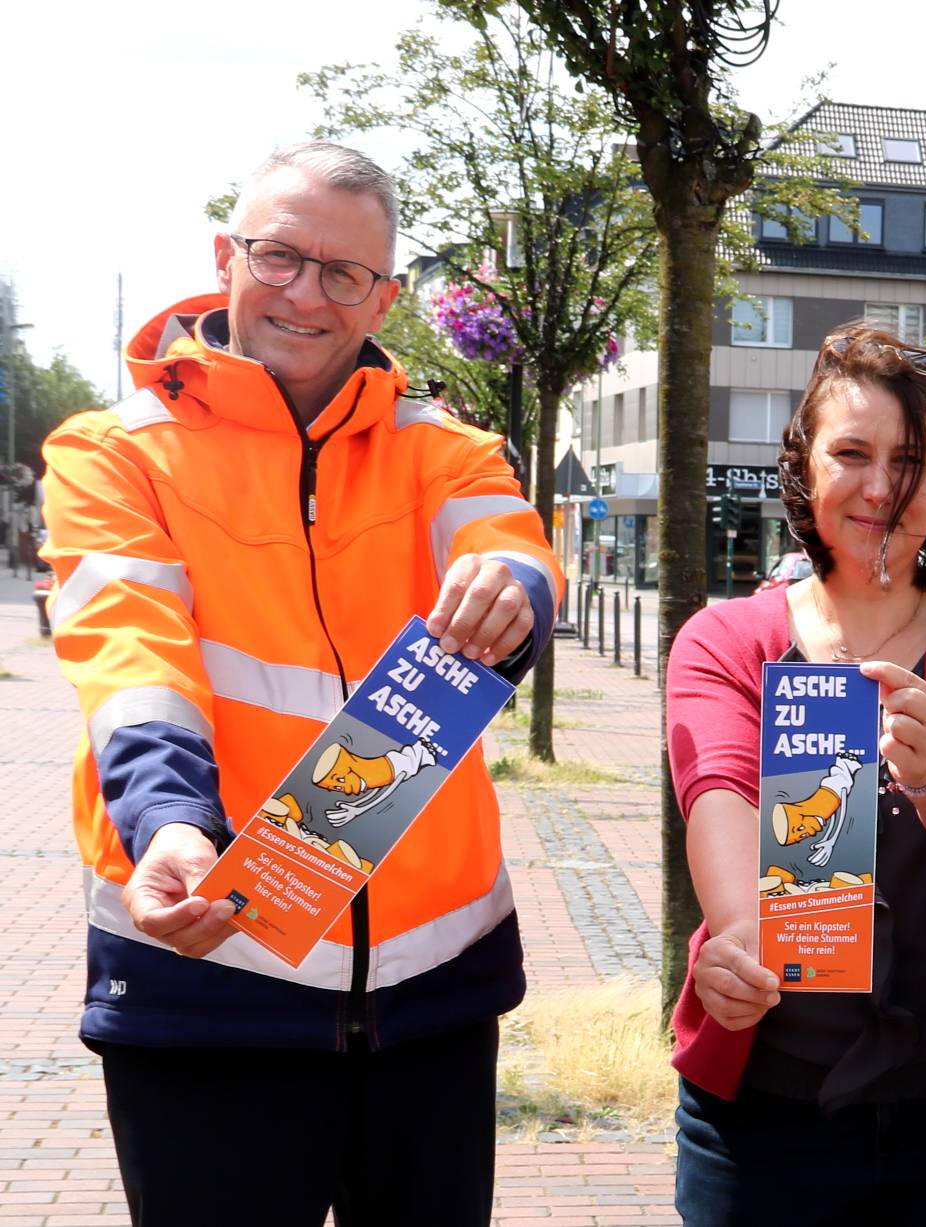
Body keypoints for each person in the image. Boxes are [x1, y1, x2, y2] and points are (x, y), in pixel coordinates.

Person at [40, 142, 561, 1225]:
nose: (305, 295)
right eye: (281, 258)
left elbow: (513, 547)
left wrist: (510, 585)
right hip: (209, 962)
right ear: (226, 254)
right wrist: (171, 823)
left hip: (434, 986)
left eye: (344, 275)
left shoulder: (446, 448)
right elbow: (129, 645)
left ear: (386, 295)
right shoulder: (113, 452)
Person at [664, 323, 926, 1225]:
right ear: (805, 466)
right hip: (766, 1109)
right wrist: (736, 938)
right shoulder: (725, 639)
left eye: (910, 460)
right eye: (851, 453)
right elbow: (721, 789)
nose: (881, 486)